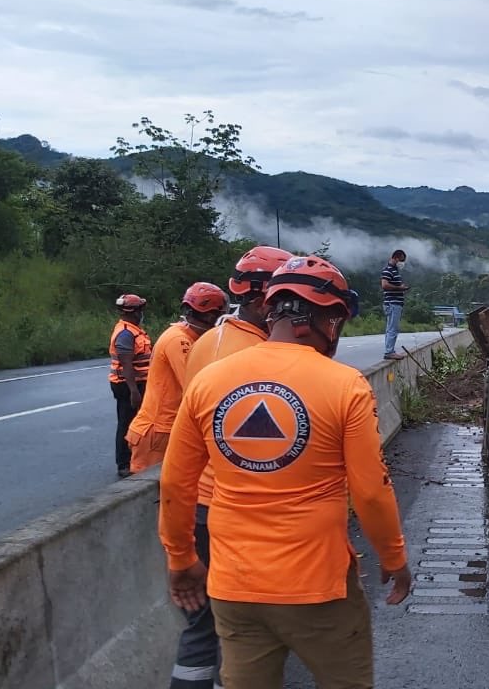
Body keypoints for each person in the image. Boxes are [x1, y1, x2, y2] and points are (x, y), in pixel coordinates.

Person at [159, 255, 412, 689]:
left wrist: (181, 560)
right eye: (338, 323)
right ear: (327, 320)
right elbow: (370, 492)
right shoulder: (345, 385)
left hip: (234, 587)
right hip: (319, 587)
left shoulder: (209, 380)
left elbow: (176, 483)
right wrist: (394, 558)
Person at [169, 245, 294, 689]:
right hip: (241, 509)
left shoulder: (206, 343)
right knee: (246, 631)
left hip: (204, 508)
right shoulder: (263, 357)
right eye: (286, 299)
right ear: (265, 300)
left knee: (204, 626)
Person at [126, 282, 228, 476]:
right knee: (154, 496)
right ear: (209, 316)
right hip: (158, 432)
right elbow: (196, 386)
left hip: (167, 429)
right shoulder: (179, 340)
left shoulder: (189, 336)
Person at [109, 293, 151, 479]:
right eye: (141, 310)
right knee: (126, 423)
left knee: (134, 421)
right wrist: (134, 391)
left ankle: (135, 457)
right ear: (135, 312)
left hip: (135, 384)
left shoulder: (134, 330)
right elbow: (127, 365)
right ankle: (124, 464)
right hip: (127, 385)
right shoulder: (126, 333)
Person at [380, 249, 408, 359]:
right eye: (401, 260)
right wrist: (399, 288)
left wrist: (402, 288)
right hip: (392, 303)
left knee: (390, 328)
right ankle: (389, 352)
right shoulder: (388, 270)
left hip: (395, 303)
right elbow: (385, 285)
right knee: (393, 328)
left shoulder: (395, 270)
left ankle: (389, 350)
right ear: (396, 258)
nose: (402, 263)